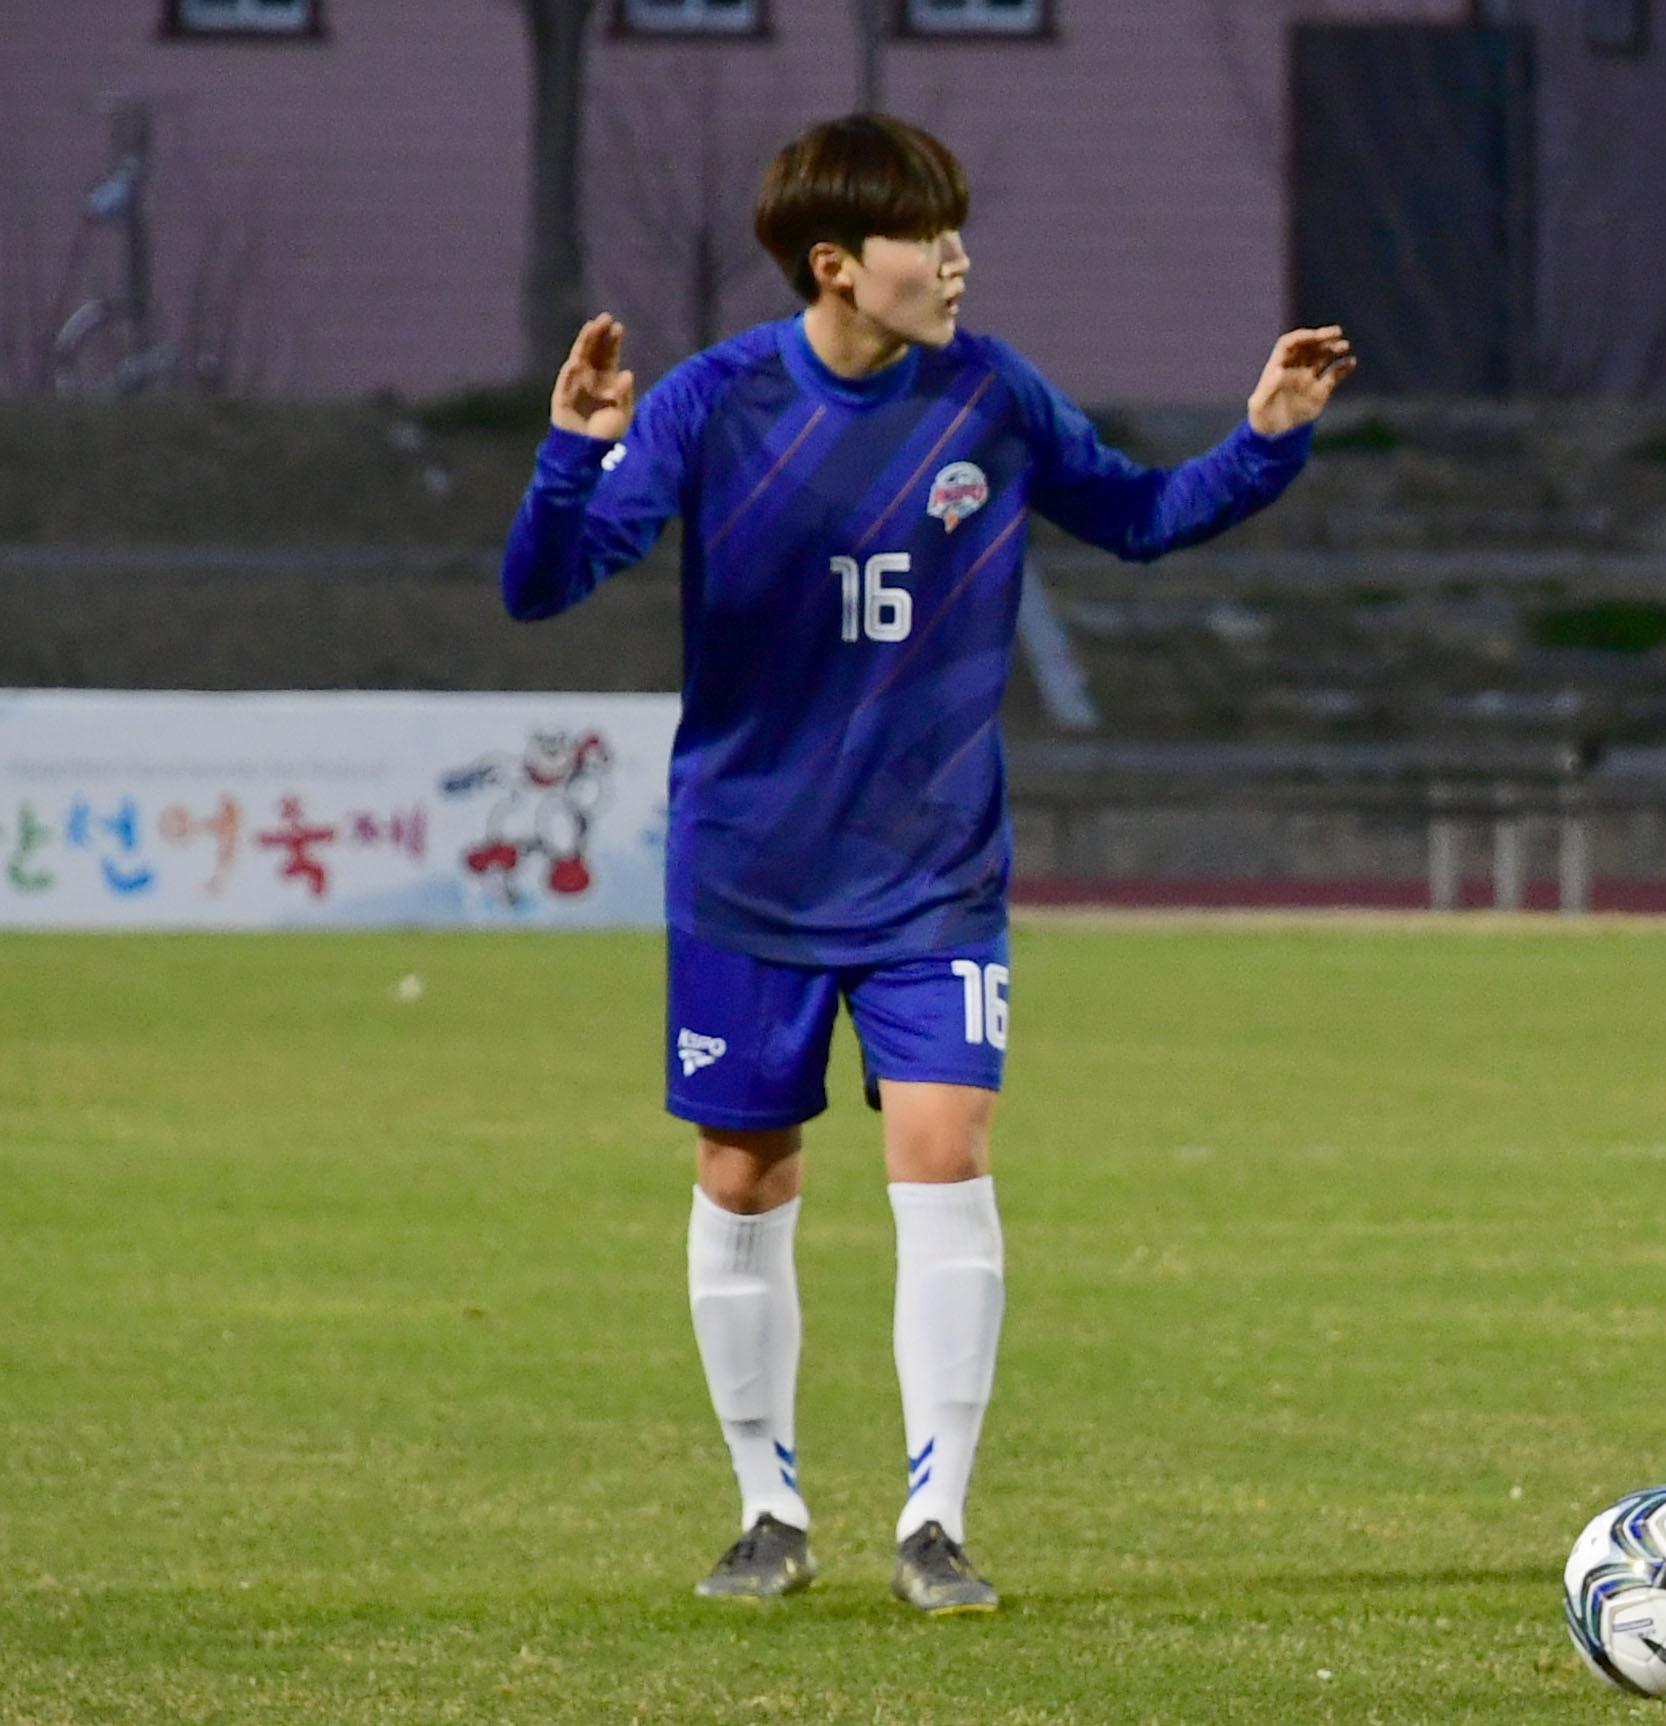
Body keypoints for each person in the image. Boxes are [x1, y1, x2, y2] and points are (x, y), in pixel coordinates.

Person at [501, 112, 1353, 1614]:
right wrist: (572, 456)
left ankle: (932, 1523)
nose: (957, 263)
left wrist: (1264, 440)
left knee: (944, 1149)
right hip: (749, 871)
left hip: (932, 872)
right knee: (744, 1167)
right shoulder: (712, 406)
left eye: (959, 233)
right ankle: (768, 1507)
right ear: (837, 265)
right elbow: (543, 587)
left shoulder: (992, 396)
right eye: (928, 239)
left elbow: (1141, 516)